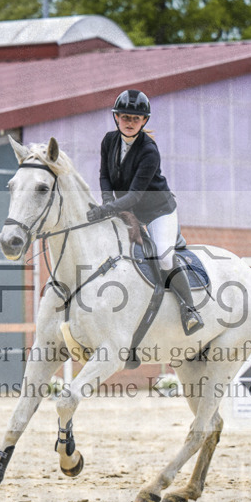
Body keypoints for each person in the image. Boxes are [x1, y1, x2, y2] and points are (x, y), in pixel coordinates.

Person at [86, 89, 203, 335]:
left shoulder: (149, 150)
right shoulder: (108, 141)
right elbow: (105, 177)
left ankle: (190, 309)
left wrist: (107, 209)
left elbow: (136, 194)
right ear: (116, 117)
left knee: (163, 256)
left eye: (135, 119)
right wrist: (108, 204)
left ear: (144, 121)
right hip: (126, 209)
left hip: (158, 211)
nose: (129, 123)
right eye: (125, 117)